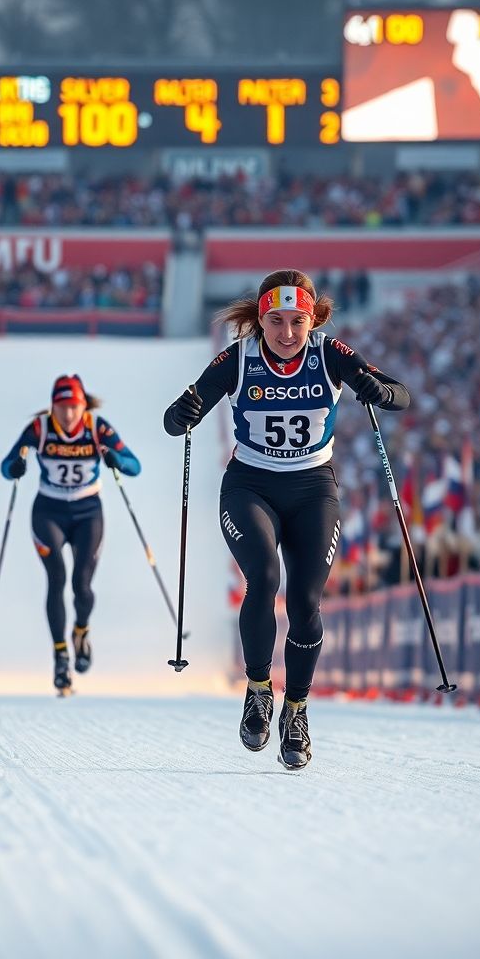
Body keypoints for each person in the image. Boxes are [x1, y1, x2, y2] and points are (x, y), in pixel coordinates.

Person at [163, 269, 410, 770]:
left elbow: (401, 394)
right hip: (250, 485)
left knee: (305, 599)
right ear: (260, 320)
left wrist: (377, 390)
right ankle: (258, 690)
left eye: (297, 321)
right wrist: (184, 412)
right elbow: (176, 418)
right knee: (264, 578)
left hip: (313, 488)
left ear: (312, 318)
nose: (286, 333)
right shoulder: (239, 358)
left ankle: (296, 710)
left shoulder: (330, 354)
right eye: (275, 321)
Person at [0, 374, 141, 695]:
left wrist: (115, 458)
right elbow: (6, 465)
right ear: (53, 406)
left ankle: (81, 630)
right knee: (57, 578)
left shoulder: (96, 427)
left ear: (83, 405)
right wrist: (16, 467)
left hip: (87, 512)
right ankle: (61, 655)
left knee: (82, 584)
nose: (68, 414)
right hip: (48, 512)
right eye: (62, 407)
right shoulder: (39, 429)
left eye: (74, 406)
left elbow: (134, 466)